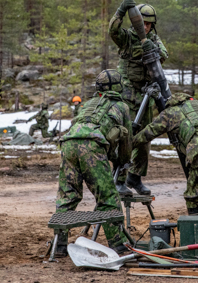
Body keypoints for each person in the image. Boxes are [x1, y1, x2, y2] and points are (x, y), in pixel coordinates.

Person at [54, 70, 132, 257]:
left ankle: (59, 245)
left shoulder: (89, 104)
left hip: (68, 143)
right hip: (92, 145)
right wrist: (122, 162)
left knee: (67, 196)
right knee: (108, 198)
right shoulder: (121, 107)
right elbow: (127, 142)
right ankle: (118, 244)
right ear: (119, 86)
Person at [109, 0, 169, 195]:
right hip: (127, 94)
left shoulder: (153, 39)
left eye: (149, 23)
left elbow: (164, 55)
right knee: (125, 138)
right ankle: (118, 178)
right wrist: (120, 12)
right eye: (142, 23)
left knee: (144, 139)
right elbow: (113, 31)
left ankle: (135, 177)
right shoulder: (126, 38)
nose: (146, 26)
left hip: (146, 94)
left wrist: (153, 49)